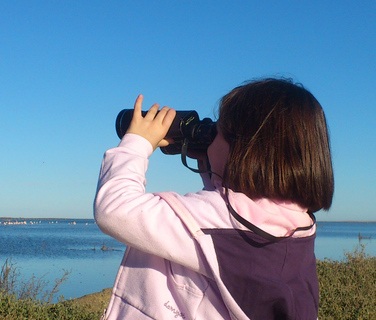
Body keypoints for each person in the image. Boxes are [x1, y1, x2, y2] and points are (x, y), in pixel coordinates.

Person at [94, 78, 334, 319]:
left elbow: (114, 209)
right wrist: (210, 160)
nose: (211, 137)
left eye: (217, 132)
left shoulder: (218, 225)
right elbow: (222, 216)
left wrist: (137, 143)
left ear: (242, 149)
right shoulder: (298, 224)